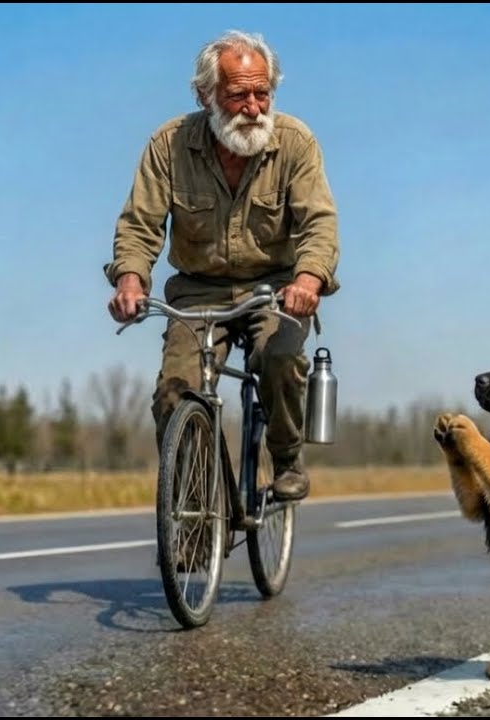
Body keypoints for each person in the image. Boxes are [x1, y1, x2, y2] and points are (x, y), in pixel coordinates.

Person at [103, 29, 340, 502]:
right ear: (205, 95)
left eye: (262, 93)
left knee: (279, 357)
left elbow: (319, 223)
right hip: (197, 291)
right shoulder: (168, 145)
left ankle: (287, 455)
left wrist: (308, 280)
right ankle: (194, 518)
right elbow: (138, 226)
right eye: (238, 95)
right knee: (174, 395)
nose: (254, 108)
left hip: (275, 288)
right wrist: (130, 283)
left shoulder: (294, 142)